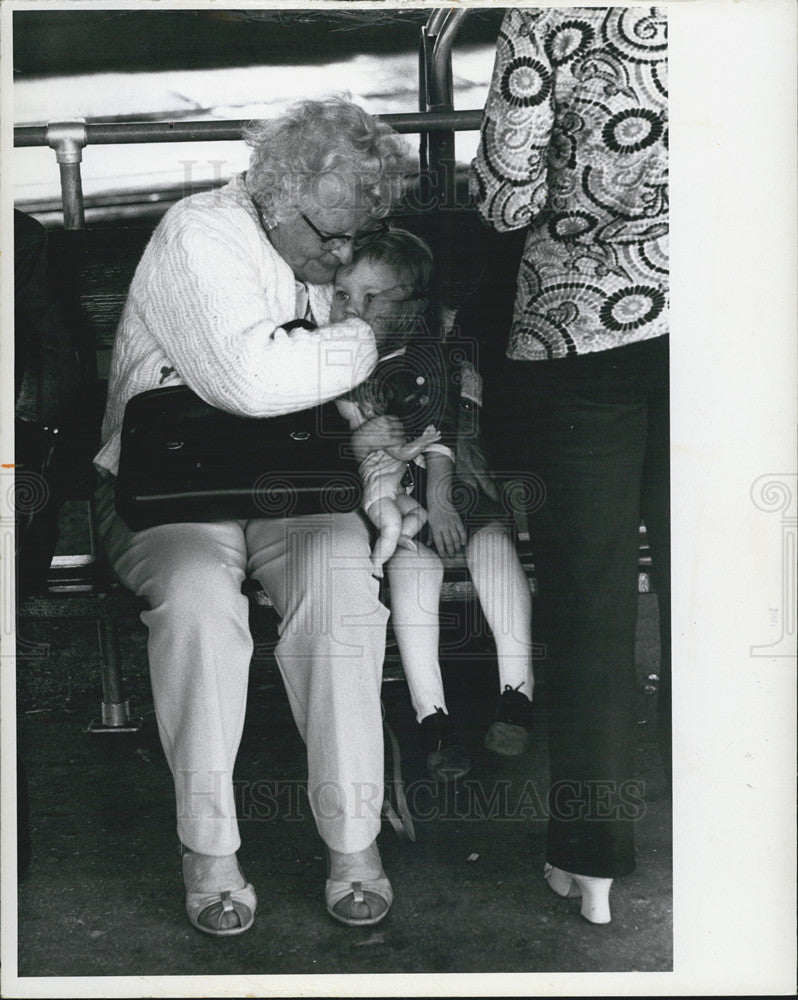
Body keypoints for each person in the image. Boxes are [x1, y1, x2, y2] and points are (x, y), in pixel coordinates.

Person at [93, 97, 426, 934]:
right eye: (330, 235)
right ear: (277, 196)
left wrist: (382, 484)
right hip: (166, 485)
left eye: (359, 234)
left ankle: (353, 837)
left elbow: (360, 413)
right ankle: (208, 845)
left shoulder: (313, 243)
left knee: (342, 585)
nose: (345, 254)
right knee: (202, 602)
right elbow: (252, 381)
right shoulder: (198, 233)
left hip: (292, 483)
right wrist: (355, 335)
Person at [470, 7, 670, 924]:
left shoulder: (549, 10)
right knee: (727, 579)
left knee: (590, 600)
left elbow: (508, 201)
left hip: (585, 328)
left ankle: (592, 866)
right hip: (744, 313)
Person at [331, 230, 535, 780]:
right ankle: (433, 717)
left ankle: (517, 692)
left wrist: (441, 498)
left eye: (375, 299)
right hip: (399, 495)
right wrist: (363, 439)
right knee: (409, 574)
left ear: (414, 307)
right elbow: (349, 436)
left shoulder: (438, 351)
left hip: (459, 483)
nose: (354, 309)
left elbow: (448, 426)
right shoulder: (340, 360)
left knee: (493, 550)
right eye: (344, 294)